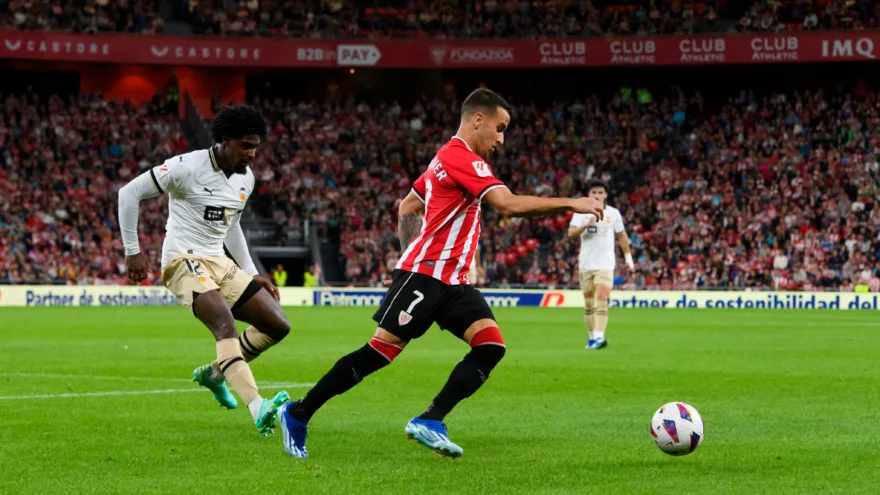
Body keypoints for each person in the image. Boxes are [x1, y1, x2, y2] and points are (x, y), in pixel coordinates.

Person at [277, 88, 605, 459]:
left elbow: (409, 205)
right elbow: (508, 206)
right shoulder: (460, 156)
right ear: (477, 120)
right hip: (427, 276)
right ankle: (298, 413)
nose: (501, 139)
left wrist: (411, 251)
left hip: (453, 281)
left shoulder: (443, 160)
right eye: (499, 128)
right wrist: (571, 202)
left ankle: (430, 420)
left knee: (490, 346)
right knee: (379, 353)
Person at [117, 104, 291, 435]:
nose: (252, 153)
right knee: (223, 322)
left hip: (218, 261)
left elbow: (233, 226)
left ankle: (214, 374)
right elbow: (130, 193)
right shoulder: (187, 167)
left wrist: (251, 270)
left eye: (255, 146)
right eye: (245, 145)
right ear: (225, 140)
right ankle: (258, 407)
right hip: (182, 258)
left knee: (277, 325)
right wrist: (133, 252)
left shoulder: (246, 179)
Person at [567, 179, 634, 350]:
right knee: (589, 304)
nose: (597, 195)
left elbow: (622, 236)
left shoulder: (613, 214)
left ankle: (599, 337)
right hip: (586, 264)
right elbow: (571, 233)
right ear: (589, 195)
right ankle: (591, 337)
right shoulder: (581, 212)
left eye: (600, 192)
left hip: (605, 264)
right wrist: (584, 225)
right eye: (593, 192)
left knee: (603, 297)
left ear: (605, 195)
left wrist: (628, 259)